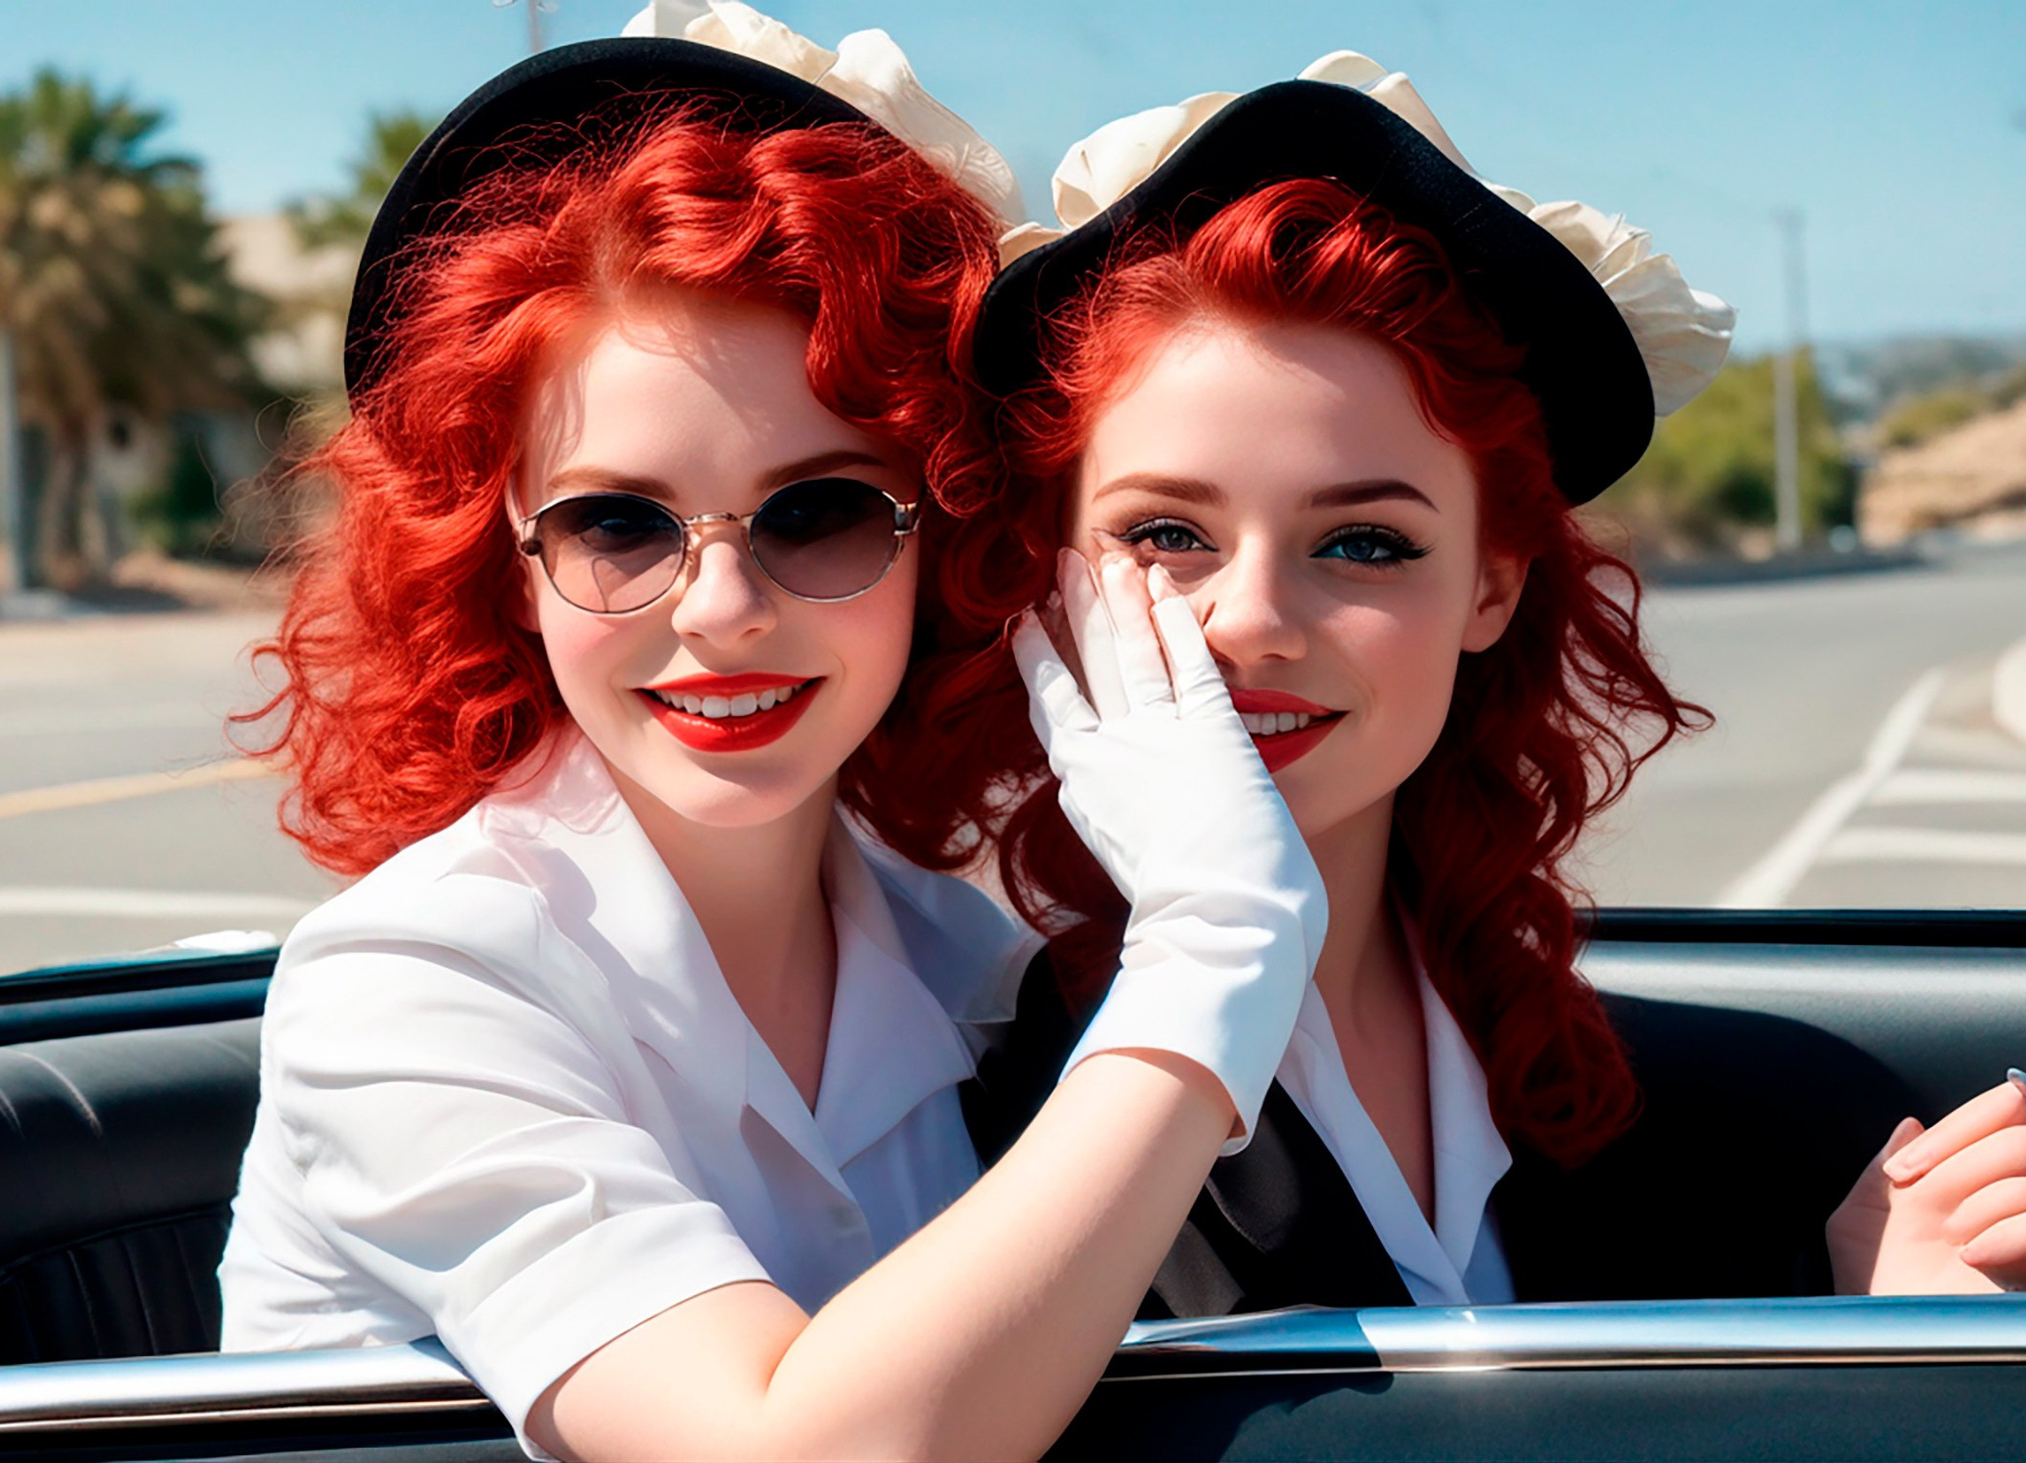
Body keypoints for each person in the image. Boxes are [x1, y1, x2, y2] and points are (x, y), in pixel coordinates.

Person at [219, 9, 1340, 1458]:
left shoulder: (967, 965)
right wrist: (1218, 942)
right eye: (617, 523)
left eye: (820, 512)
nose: (724, 609)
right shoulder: (411, 982)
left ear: (946, 537)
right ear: (505, 560)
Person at [903, 56, 2026, 1313]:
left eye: (1363, 542)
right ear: (1049, 577)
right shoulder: (951, 1094)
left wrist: (1896, 1331)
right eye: (1165, 534)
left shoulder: (1681, 1111)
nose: (1250, 620)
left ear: (1490, 586)